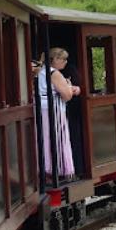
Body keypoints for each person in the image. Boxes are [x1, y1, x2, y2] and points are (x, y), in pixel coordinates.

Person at [39, 48, 80, 181]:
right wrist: (70, 87)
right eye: (63, 59)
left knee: (44, 139)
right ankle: (59, 170)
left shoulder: (39, 71)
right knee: (58, 138)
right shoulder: (54, 73)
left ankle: (45, 170)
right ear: (55, 59)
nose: (66, 62)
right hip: (54, 111)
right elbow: (67, 96)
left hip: (41, 110)